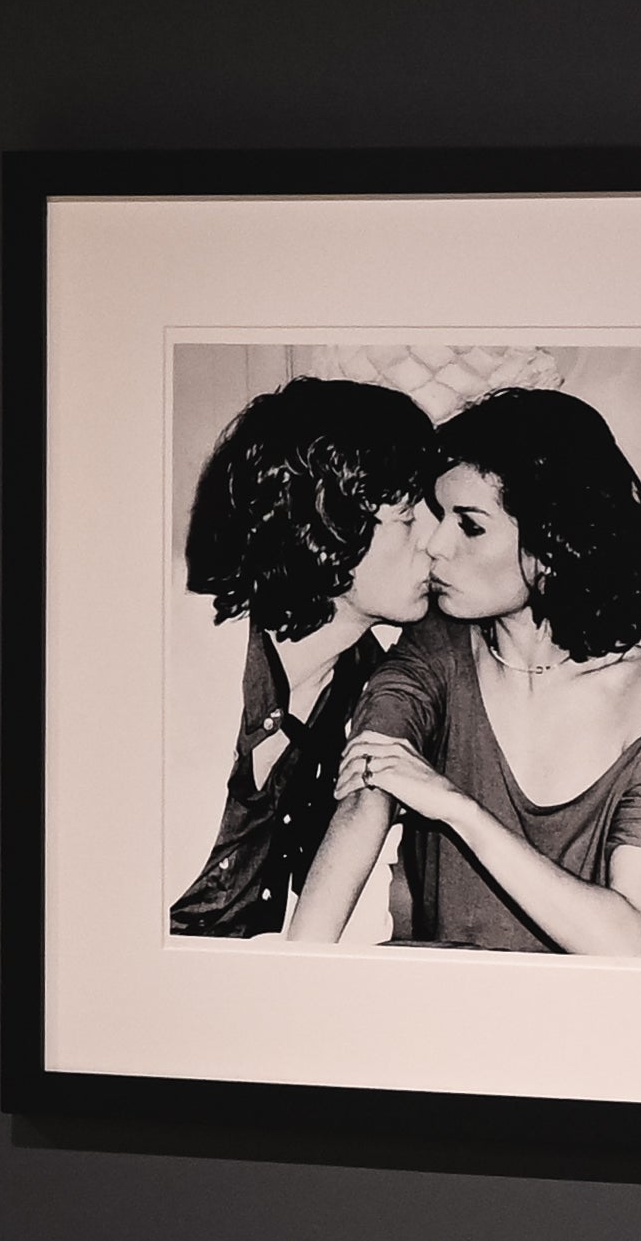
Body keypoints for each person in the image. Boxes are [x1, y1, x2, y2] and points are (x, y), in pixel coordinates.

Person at [298, 387, 641, 957]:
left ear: (553, 547)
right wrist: (298, 964)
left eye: (470, 525)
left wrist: (459, 809)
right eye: (438, 516)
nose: (434, 544)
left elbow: (632, 943)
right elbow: (369, 784)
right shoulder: (437, 645)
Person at [166, 376, 442, 938]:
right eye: (409, 516)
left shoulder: (372, 684)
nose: (437, 541)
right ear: (328, 521)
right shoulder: (162, 651)